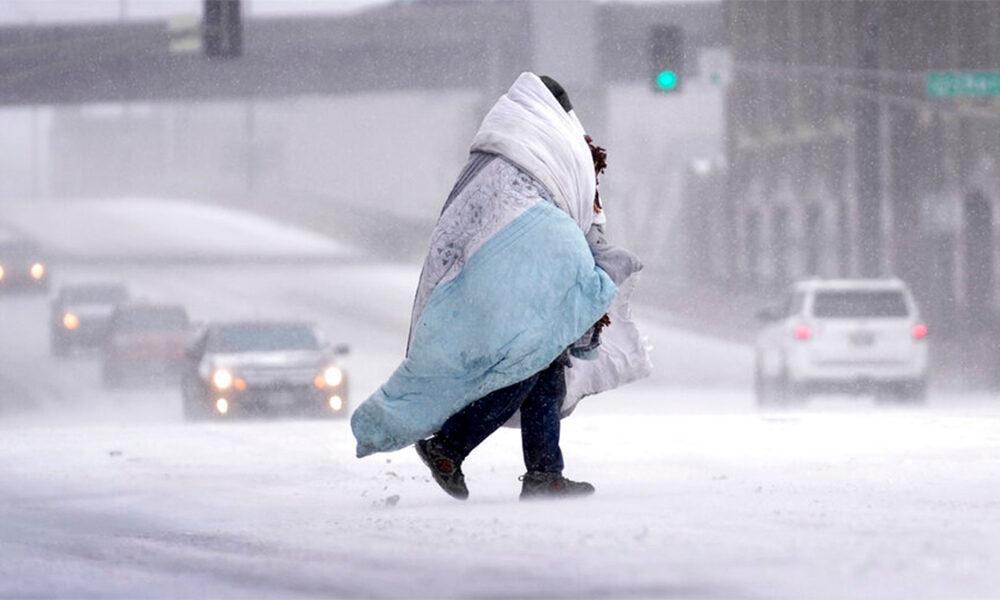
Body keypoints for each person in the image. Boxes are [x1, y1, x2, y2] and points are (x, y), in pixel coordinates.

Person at [351, 72, 648, 501]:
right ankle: (449, 446)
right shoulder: (550, 148)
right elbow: (568, 213)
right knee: (527, 363)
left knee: (544, 365)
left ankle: (544, 472)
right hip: (516, 274)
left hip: (491, 273)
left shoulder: (500, 151)